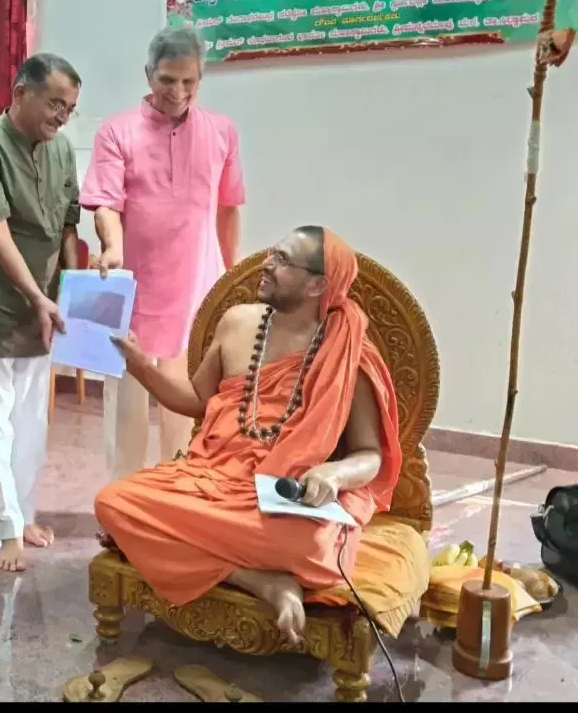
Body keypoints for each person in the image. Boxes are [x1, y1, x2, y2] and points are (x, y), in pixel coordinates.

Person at [95, 226, 401, 646]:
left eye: (282, 260)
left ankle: (197, 548)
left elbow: (369, 454)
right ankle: (262, 581)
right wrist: (141, 366)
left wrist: (334, 474)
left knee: (311, 546)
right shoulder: (238, 322)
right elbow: (198, 400)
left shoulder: (347, 351)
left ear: (317, 285)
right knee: (113, 503)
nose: (265, 265)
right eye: (272, 253)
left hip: (279, 495)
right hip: (212, 476)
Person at [80, 27, 245, 481]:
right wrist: (113, 247)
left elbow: (228, 208)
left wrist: (234, 278)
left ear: (201, 78)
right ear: (148, 75)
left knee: (187, 407)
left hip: (196, 289)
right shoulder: (117, 131)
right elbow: (106, 203)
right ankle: (123, 498)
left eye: (189, 81)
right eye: (168, 80)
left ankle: (175, 496)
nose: (178, 91)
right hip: (134, 290)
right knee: (126, 408)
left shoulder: (221, 131)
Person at [0, 53, 82, 572]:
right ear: (21, 93)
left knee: (31, 423)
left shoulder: (62, 149)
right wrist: (37, 296)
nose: (61, 117)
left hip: (43, 310)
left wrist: (71, 288)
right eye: (54, 104)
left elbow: (67, 223)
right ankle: (4, 529)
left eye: (69, 109)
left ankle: (23, 515)